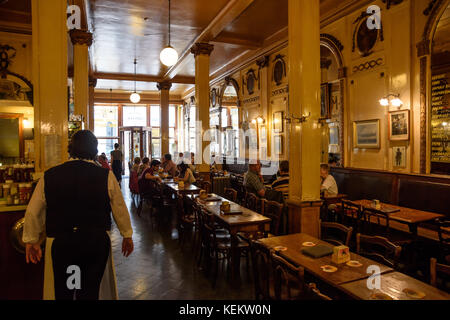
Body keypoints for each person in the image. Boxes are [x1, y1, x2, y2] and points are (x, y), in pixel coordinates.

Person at [22, 130, 133, 300]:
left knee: (65, 290)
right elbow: (119, 207)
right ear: (94, 150)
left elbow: (33, 211)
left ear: (70, 149)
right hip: (95, 241)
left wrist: (31, 240)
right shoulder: (105, 176)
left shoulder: (50, 175)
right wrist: (127, 235)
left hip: (62, 241)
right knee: (89, 291)